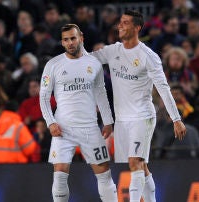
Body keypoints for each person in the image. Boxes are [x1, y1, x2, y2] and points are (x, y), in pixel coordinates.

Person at [88, 10, 186, 202]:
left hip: (143, 116)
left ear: (137, 28)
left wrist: (176, 119)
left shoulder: (148, 56)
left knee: (135, 162)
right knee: (142, 166)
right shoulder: (113, 51)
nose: (120, 26)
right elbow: (89, 59)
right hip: (123, 119)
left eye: (125, 23)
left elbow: (164, 89)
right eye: (120, 23)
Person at [40, 24, 118, 202]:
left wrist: (107, 120)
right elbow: (43, 96)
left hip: (89, 127)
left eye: (73, 38)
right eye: (66, 40)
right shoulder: (53, 65)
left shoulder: (93, 63)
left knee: (104, 174)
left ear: (81, 37)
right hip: (63, 128)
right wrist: (50, 122)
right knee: (59, 174)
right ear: (62, 42)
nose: (70, 43)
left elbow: (100, 92)